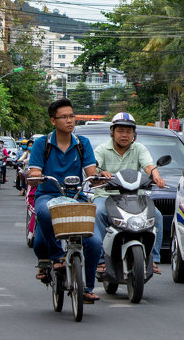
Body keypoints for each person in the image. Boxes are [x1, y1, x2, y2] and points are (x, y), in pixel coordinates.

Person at [27, 98, 101, 303]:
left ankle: (86, 287)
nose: (69, 121)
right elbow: (34, 171)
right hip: (48, 196)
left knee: (94, 243)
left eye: (72, 116)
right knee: (42, 221)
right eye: (64, 117)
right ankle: (57, 255)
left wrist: (100, 177)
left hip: (76, 197)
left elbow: (91, 172)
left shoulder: (82, 143)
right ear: (53, 121)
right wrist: (34, 176)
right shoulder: (42, 143)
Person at [92, 112, 166, 275]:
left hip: (134, 197)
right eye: (120, 131)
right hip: (105, 197)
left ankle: (152, 258)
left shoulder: (139, 148)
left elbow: (148, 165)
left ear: (134, 134)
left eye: (128, 131)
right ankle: (101, 260)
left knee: (158, 216)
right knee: (97, 213)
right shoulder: (102, 150)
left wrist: (156, 176)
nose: (124, 135)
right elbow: (94, 169)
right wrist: (101, 173)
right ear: (112, 132)